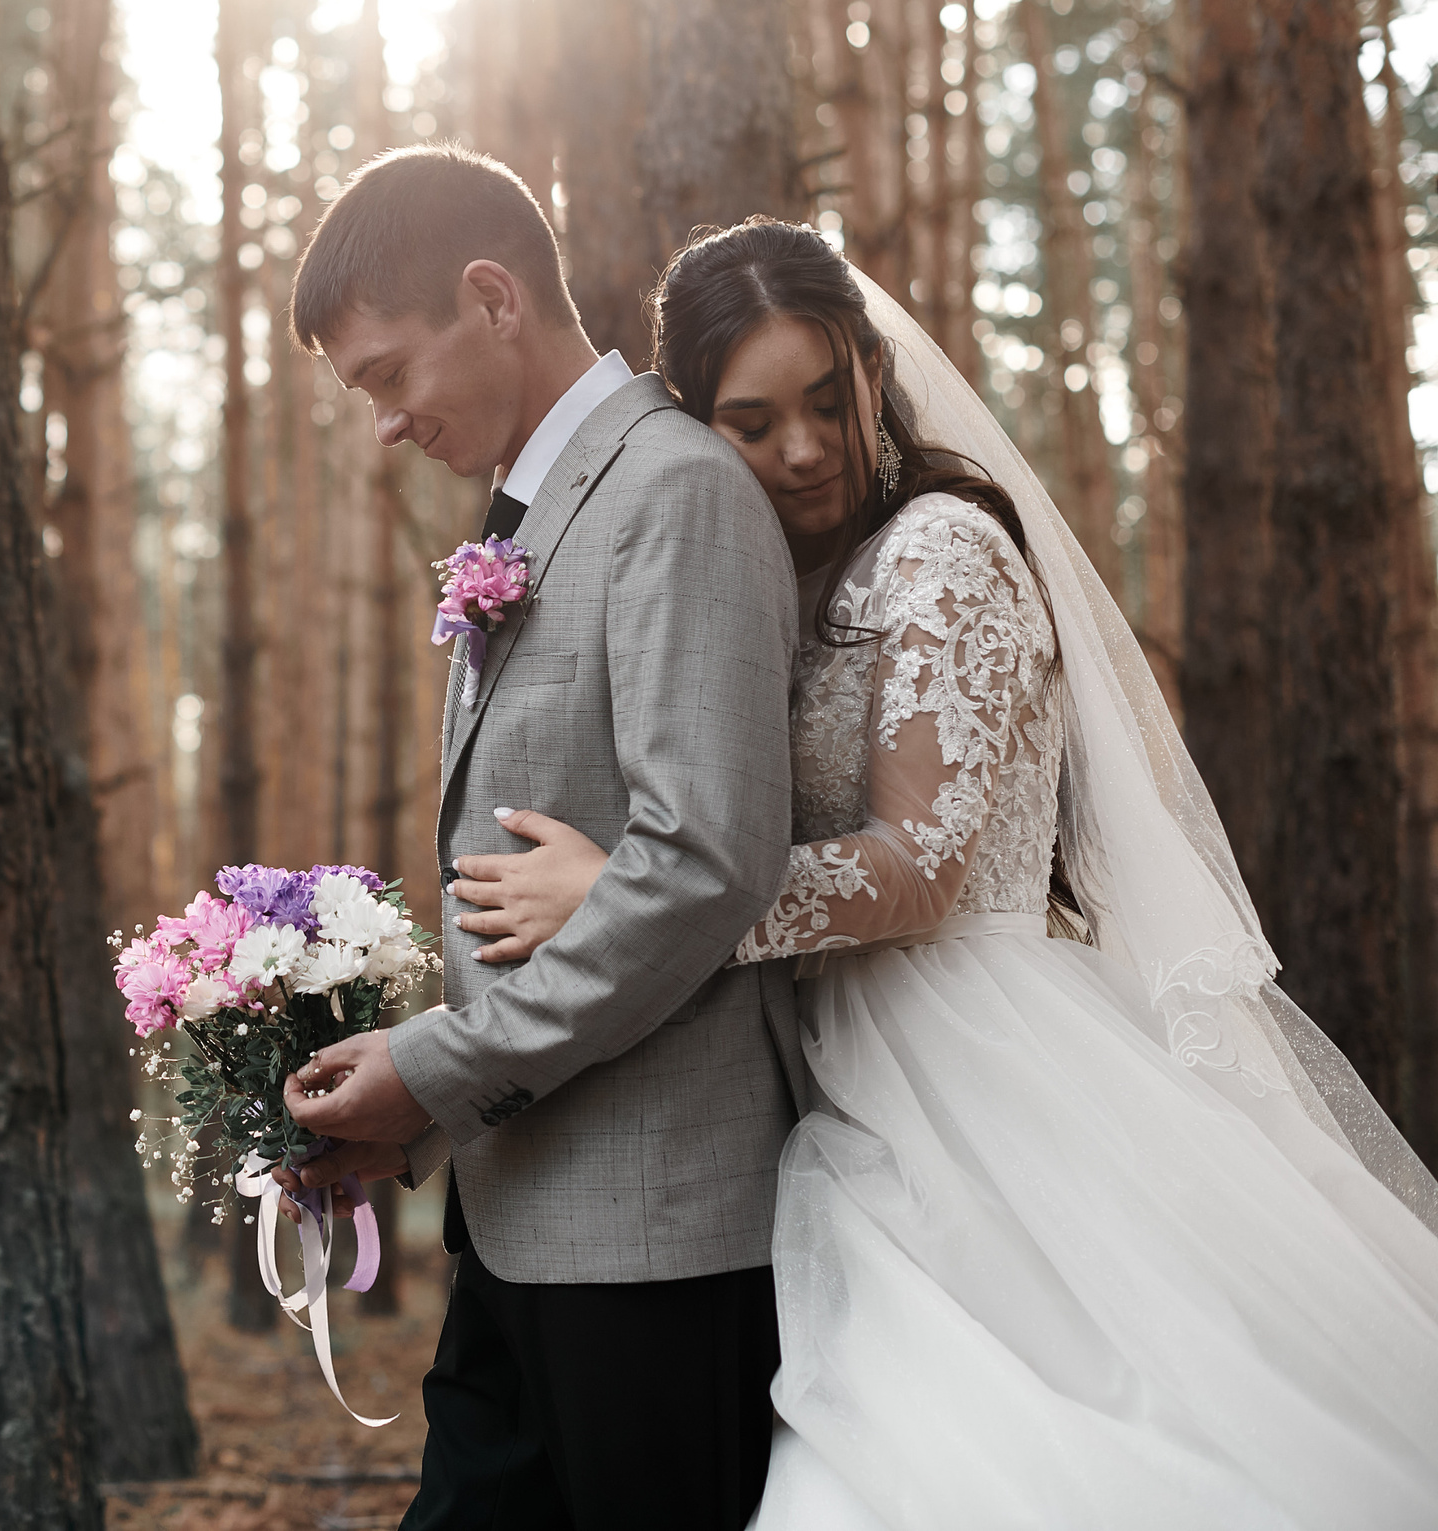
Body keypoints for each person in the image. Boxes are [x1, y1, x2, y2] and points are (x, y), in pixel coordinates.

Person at [410, 217, 1438, 1528]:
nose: (803, 448)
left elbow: (922, 868)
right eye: (754, 418)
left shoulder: (945, 552)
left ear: (873, 371)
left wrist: (630, 896)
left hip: (981, 1059)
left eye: (830, 399)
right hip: (843, 1065)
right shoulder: (780, 569)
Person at [277, 145, 808, 1530]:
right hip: (520, 1224)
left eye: (389, 373)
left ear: (493, 296)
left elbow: (703, 867)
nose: (386, 422)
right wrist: (408, 1115)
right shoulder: (537, 512)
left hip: (654, 1252)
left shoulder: (672, 494)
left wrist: (440, 1072)